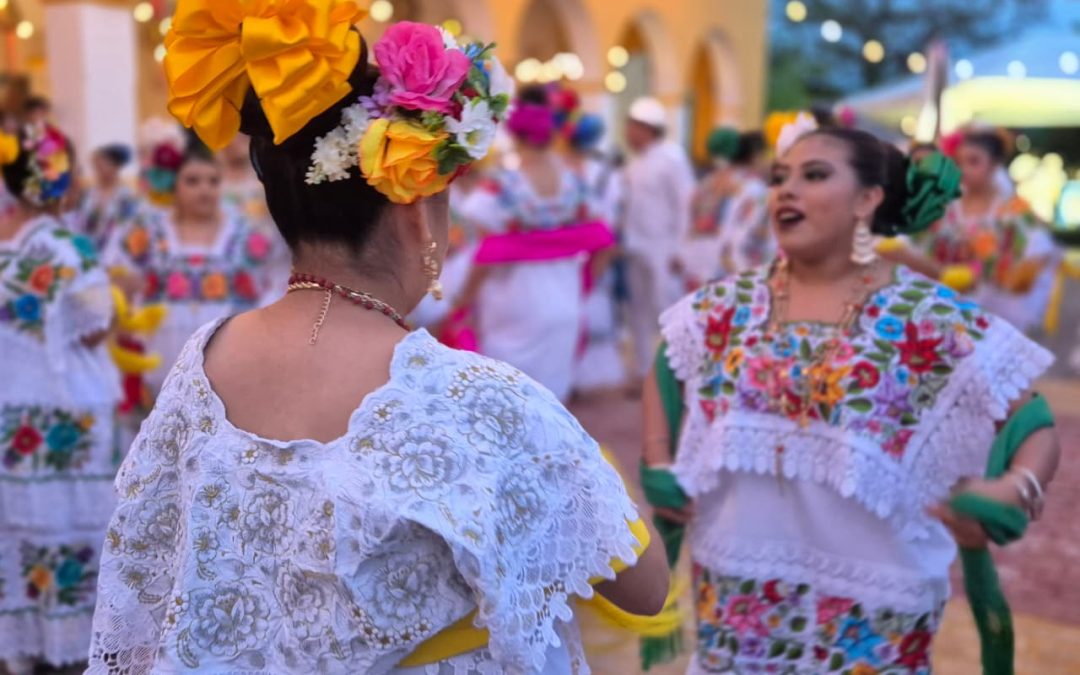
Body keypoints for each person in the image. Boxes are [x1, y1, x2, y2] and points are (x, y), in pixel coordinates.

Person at [88, 11, 667, 674]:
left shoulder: (202, 362)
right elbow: (645, 587)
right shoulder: (481, 400)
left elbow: (144, 576)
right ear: (414, 206)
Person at [642, 126, 1060, 673]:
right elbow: (668, 362)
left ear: (869, 199)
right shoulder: (729, 304)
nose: (785, 191)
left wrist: (1013, 487)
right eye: (779, 178)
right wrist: (658, 460)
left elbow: (1031, 419)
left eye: (813, 175)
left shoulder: (923, 314)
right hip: (736, 599)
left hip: (875, 615)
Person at [0, 123, 120, 672]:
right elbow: (95, 325)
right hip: (68, 409)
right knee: (72, 527)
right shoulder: (69, 247)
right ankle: (73, 649)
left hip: (11, 410)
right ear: (60, 180)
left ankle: (21, 650)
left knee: (17, 528)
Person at [456, 87, 615, 402]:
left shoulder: (502, 185)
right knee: (553, 402)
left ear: (515, 136)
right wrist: (583, 285)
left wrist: (462, 302)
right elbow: (605, 242)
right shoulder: (575, 182)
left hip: (515, 304)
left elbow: (485, 254)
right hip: (565, 300)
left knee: (508, 398)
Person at [103, 148, 280, 395]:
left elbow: (274, 285)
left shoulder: (246, 233)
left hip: (228, 357)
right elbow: (118, 277)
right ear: (173, 184)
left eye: (213, 181)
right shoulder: (149, 230)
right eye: (193, 181)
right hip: (160, 354)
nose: (204, 189)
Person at [888, 131, 1059, 333]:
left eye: (974, 161)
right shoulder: (943, 207)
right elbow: (916, 249)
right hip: (942, 316)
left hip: (997, 316)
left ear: (995, 165)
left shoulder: (1015, 212)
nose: (964, 169)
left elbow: (1034, 261)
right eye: (959, 162)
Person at [621, 97, 695, 391]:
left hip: (664, 248)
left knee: (668, 311)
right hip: (635, 246)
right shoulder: (636, 162)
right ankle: (643, 374)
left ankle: (677, 375)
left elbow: (686, 204)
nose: (627, 132)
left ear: (647, 128)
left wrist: (680, 248)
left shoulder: (672, 158)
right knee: (637, 310)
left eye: (632, 126)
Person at [565, 112, 626, 394]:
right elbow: (613, 214)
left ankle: (571, 372)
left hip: (571, 244)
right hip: (597, 244)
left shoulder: (569, 168)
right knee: (594, 302)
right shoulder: (607, 173)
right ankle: (589, 375)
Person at [715, 131, 774, 275]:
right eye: (768, 154)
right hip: (741, 263)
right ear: (756, 155)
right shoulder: (754, 188)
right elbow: (745, 233)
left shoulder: (722, 179)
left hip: (720, 258)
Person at [70, 144, 141, 249]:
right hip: (86, 250)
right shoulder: (87, 194)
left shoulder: (126, 196)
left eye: (103, 165)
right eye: (96, 166)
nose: (99, 170)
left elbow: (128, 228)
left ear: (116, 166)